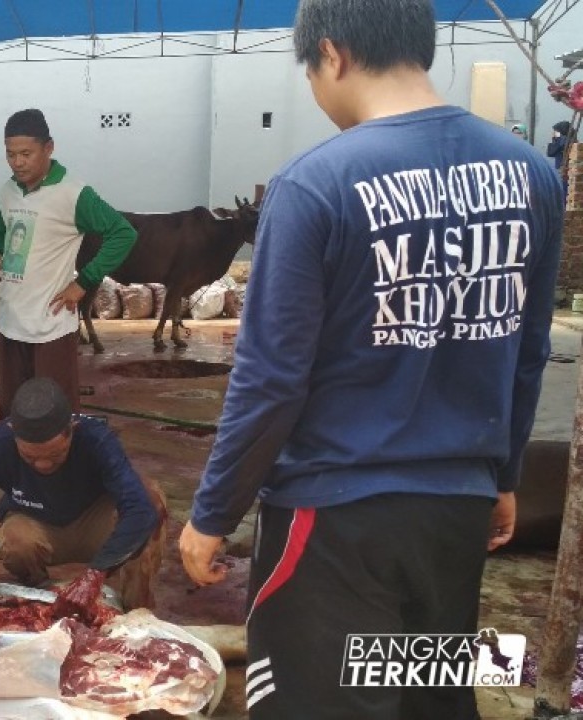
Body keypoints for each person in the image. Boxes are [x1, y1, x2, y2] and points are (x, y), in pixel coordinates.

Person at [178, 1, 564, 718]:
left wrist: (212, 514)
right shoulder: (532, 176)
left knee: (320, 702)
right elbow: (528, 347)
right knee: (424, 698)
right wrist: (502, 473)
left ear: (332, 55)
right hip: (456, 513)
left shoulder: (315, 183)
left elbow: (270, 379)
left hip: (334, 520)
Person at [0, 378, 163, 612]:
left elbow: (139, 508)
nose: (42, 464)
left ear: (72, 429)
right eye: (30, 458)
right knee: (16, 541)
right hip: (35, 521)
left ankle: (136, 614)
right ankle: (39, 597)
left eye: (55, 455)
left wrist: (96, 573)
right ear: (12, 433)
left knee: (150, 504)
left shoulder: (97, 439)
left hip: (93, 520)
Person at [0, 109, 136, 417]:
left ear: (49, 148)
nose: (18, 162)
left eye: (26, 153)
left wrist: (83, 282)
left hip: (51, 327)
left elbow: (123, 233)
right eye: (10, 154)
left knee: (53, 418)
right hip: (9, 323)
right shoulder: (8, 190)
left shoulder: (74, 193)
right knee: (11, 414)